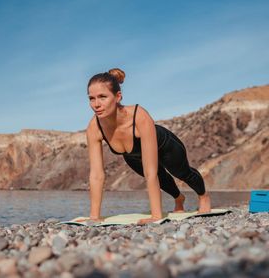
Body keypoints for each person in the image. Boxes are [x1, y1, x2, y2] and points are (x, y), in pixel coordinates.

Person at [83, 68, 211, 225]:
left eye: (102, 97)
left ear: (117, 97)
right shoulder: (94, 127)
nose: (96, 104)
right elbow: (96, 175)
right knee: (163, 180)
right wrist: (94, 217)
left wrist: (156, 216)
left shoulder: (139, 116)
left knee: (182, 172)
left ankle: (203, 196)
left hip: (165, 146)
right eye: (91, 98)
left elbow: (151, 172)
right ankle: (179, 198)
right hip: (133, 156)